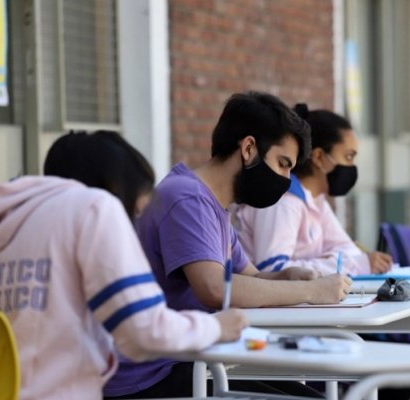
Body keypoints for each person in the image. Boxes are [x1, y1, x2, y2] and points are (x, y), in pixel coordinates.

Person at [103, 92, 351, 398]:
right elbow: (215, 290)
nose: (286, 180)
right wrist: (313, 293)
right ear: (248, 149)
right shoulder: (187, 198)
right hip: (154, 374)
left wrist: (287, 276)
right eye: (283, 164)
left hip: (190, 359)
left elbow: (249, 277)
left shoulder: (214, 205)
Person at [0, 135, 247, 400]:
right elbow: (145, 332)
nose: (136, 221)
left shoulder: (12, 221)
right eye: (137, 209)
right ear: (117, 186)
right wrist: (217, 327)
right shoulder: (95, 208)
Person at [234, 104, 392, 276]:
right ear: (318, 157)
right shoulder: (282, 202)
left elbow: (348, 250)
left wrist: (350, 261)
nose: (351, 166)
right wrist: (350, 264)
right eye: (348, 157)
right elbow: (272, 269)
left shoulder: (316, 201)